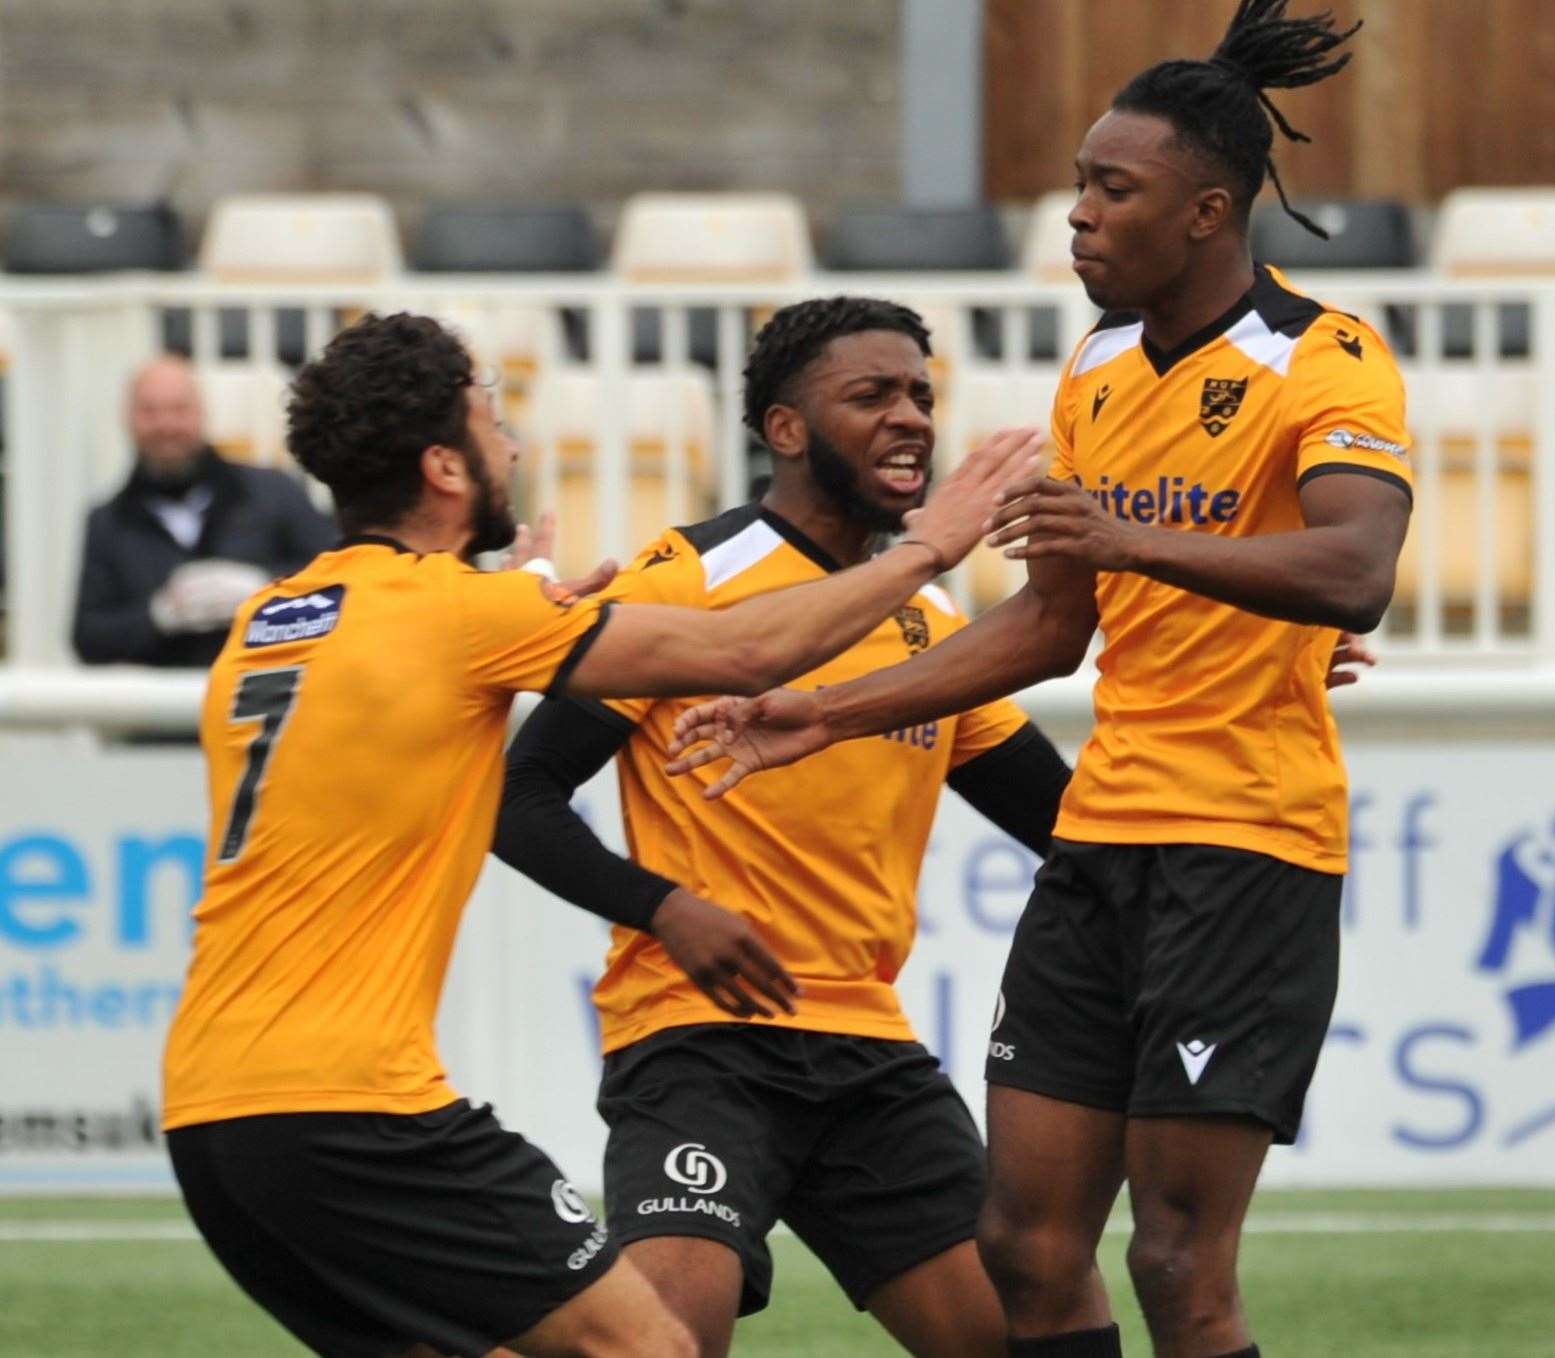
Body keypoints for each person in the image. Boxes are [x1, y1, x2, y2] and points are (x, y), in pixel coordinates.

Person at [663, 4, 1412, 1356]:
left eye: (1109, 189)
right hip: (1102, 846)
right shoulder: (1099, 368)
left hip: (1243, 845)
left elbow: (1357, 568)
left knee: (1180, 1264)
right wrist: (818, 709)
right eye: (1076, 183)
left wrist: (1124, 537)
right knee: (1024, 1245)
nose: (1075, 215)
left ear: (1204, 212)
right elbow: (1050, 628)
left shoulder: (1326, 357)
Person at [160, 311, 1041, 1358]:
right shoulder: (465, 614)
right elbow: (746, 649)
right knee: (652, 1346)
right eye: (493, 426)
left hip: (213, 1112)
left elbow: (417, 675)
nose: (518, 448)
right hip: (364, 1097)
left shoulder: (270, 621)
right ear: (445, 465)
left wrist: (517, 609)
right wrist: (939, 540)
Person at [494, 296, 1076, 1358]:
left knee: (1029, 1332)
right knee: (664, 1340)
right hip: (697, 1042)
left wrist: (1239, 672)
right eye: (871, 395)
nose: (908, 417)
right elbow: (515, 796)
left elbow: (1068, 823)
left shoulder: (930, 626)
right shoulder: (683, 578)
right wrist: (664, 908)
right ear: (785, 429)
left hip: (868, 1054)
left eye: (919, 396)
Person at [72, 353, 334, 666]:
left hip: (268, 699)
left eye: (179, 409)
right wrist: (156, 616)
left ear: (202, 413)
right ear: (127, 419)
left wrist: (263, 590)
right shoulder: (107, 522)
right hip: (158, 710)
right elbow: (88, 638)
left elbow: (338, 578)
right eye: (149, 411)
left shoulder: (274, 493)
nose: (166, 425)